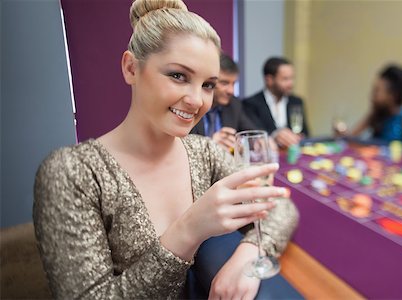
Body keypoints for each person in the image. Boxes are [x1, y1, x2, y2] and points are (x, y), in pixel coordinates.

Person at [33, 1, 299, 299]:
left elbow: (280, 208)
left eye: (208, 85)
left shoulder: (203, 152)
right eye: (178, 76)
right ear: (131, 68)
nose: (197, 100)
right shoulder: (73, 172)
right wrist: (188, 230)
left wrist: (248, 254)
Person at [191, 53, 256, 150]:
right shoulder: (191, 105)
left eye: (233, 84)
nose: (231, 91)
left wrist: (255, 142)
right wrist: (209, 145)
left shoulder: (234, 104)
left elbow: (252, 135)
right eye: (224, 83)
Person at [243, 57, 310, 149]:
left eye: (292, 78)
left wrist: (300, 137)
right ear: (269, 80)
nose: (291, 84)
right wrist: (274, 135)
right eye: (285, 79)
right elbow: (254, 134)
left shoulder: (297, 102)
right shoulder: (251, 104)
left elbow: (305, 133)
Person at [347, 64, 402, 144]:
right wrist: (342, 135)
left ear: (392, 96)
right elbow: (351, 138)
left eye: (376, 92)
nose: (372, 97)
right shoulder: (375, 115)